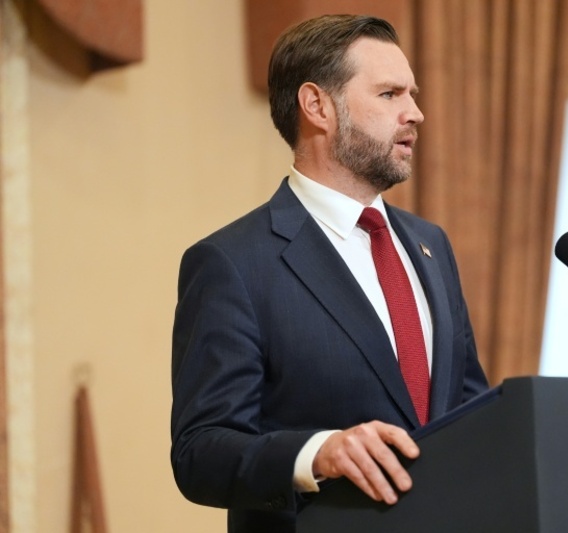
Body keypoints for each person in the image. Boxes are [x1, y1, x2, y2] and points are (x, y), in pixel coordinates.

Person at [171, 14, 488, 533]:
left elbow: (469, 409)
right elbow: (200, 452)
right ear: (317, 106)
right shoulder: (233, 263)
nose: (416, 113)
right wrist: (317, 453)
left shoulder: (431, 245)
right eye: (390, 94)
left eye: (412, 94)